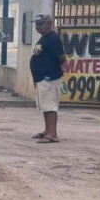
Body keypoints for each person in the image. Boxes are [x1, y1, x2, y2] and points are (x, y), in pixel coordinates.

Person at [30, 14, 66, 144]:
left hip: (50, 77)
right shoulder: (44, 38)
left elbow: (61, 56)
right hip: (42, 78)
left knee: (50, 106)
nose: (38, 26)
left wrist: (60, 68)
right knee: (45, 106)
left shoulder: (52, 38)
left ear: (49, 24)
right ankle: (47, 130)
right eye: (37, 24)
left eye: (41, 23)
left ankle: (53, 134)